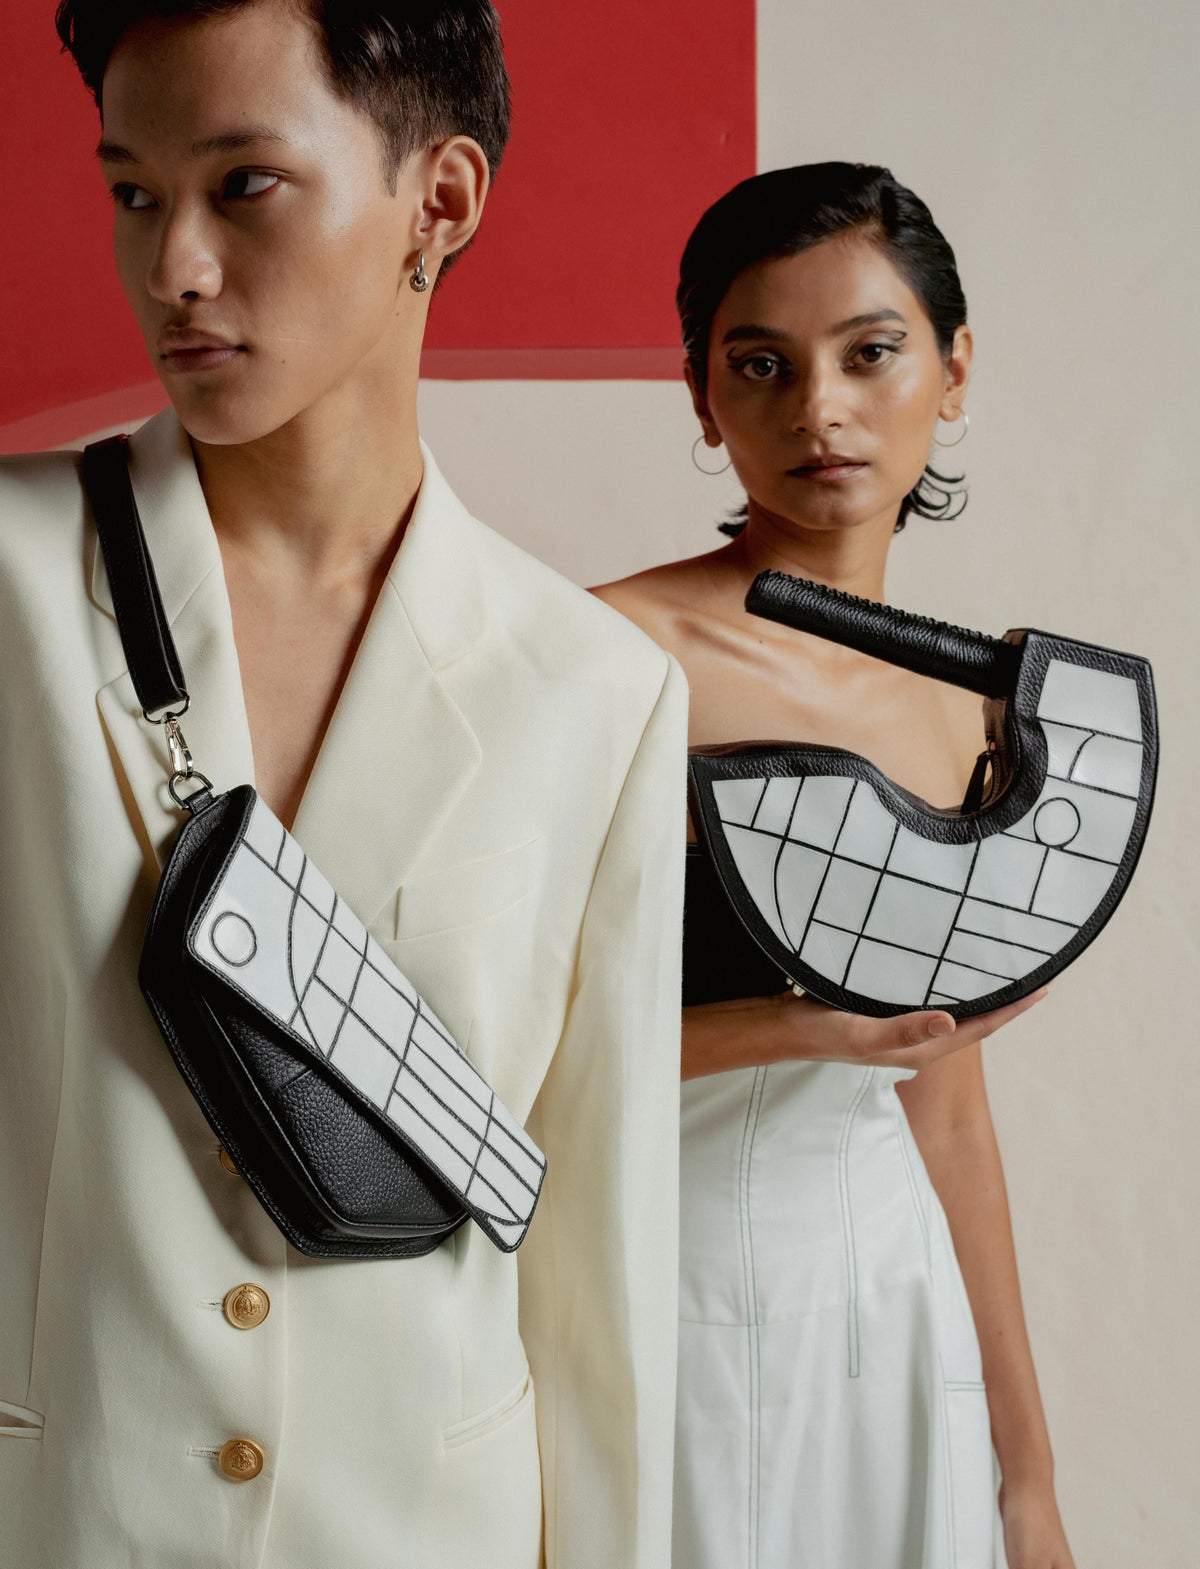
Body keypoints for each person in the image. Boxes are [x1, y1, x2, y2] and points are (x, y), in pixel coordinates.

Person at [0, 3, 687, 1565]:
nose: (171, 266)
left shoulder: (598, 691)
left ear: (437, 203)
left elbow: (600, 1280)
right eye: (130, 192)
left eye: (242, 186)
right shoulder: (11, 578)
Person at [595, 164, 1075, 1569]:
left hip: (894, 1301)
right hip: (666, 1296)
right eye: (761, 364)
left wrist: (1026, 1475)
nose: (820, 411)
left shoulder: (972, 707)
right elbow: (488, 1050)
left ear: (953, 364)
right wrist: (790, 1028)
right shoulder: (608, 658)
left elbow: (952, 1118)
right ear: (701, 396)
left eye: (872, 352)